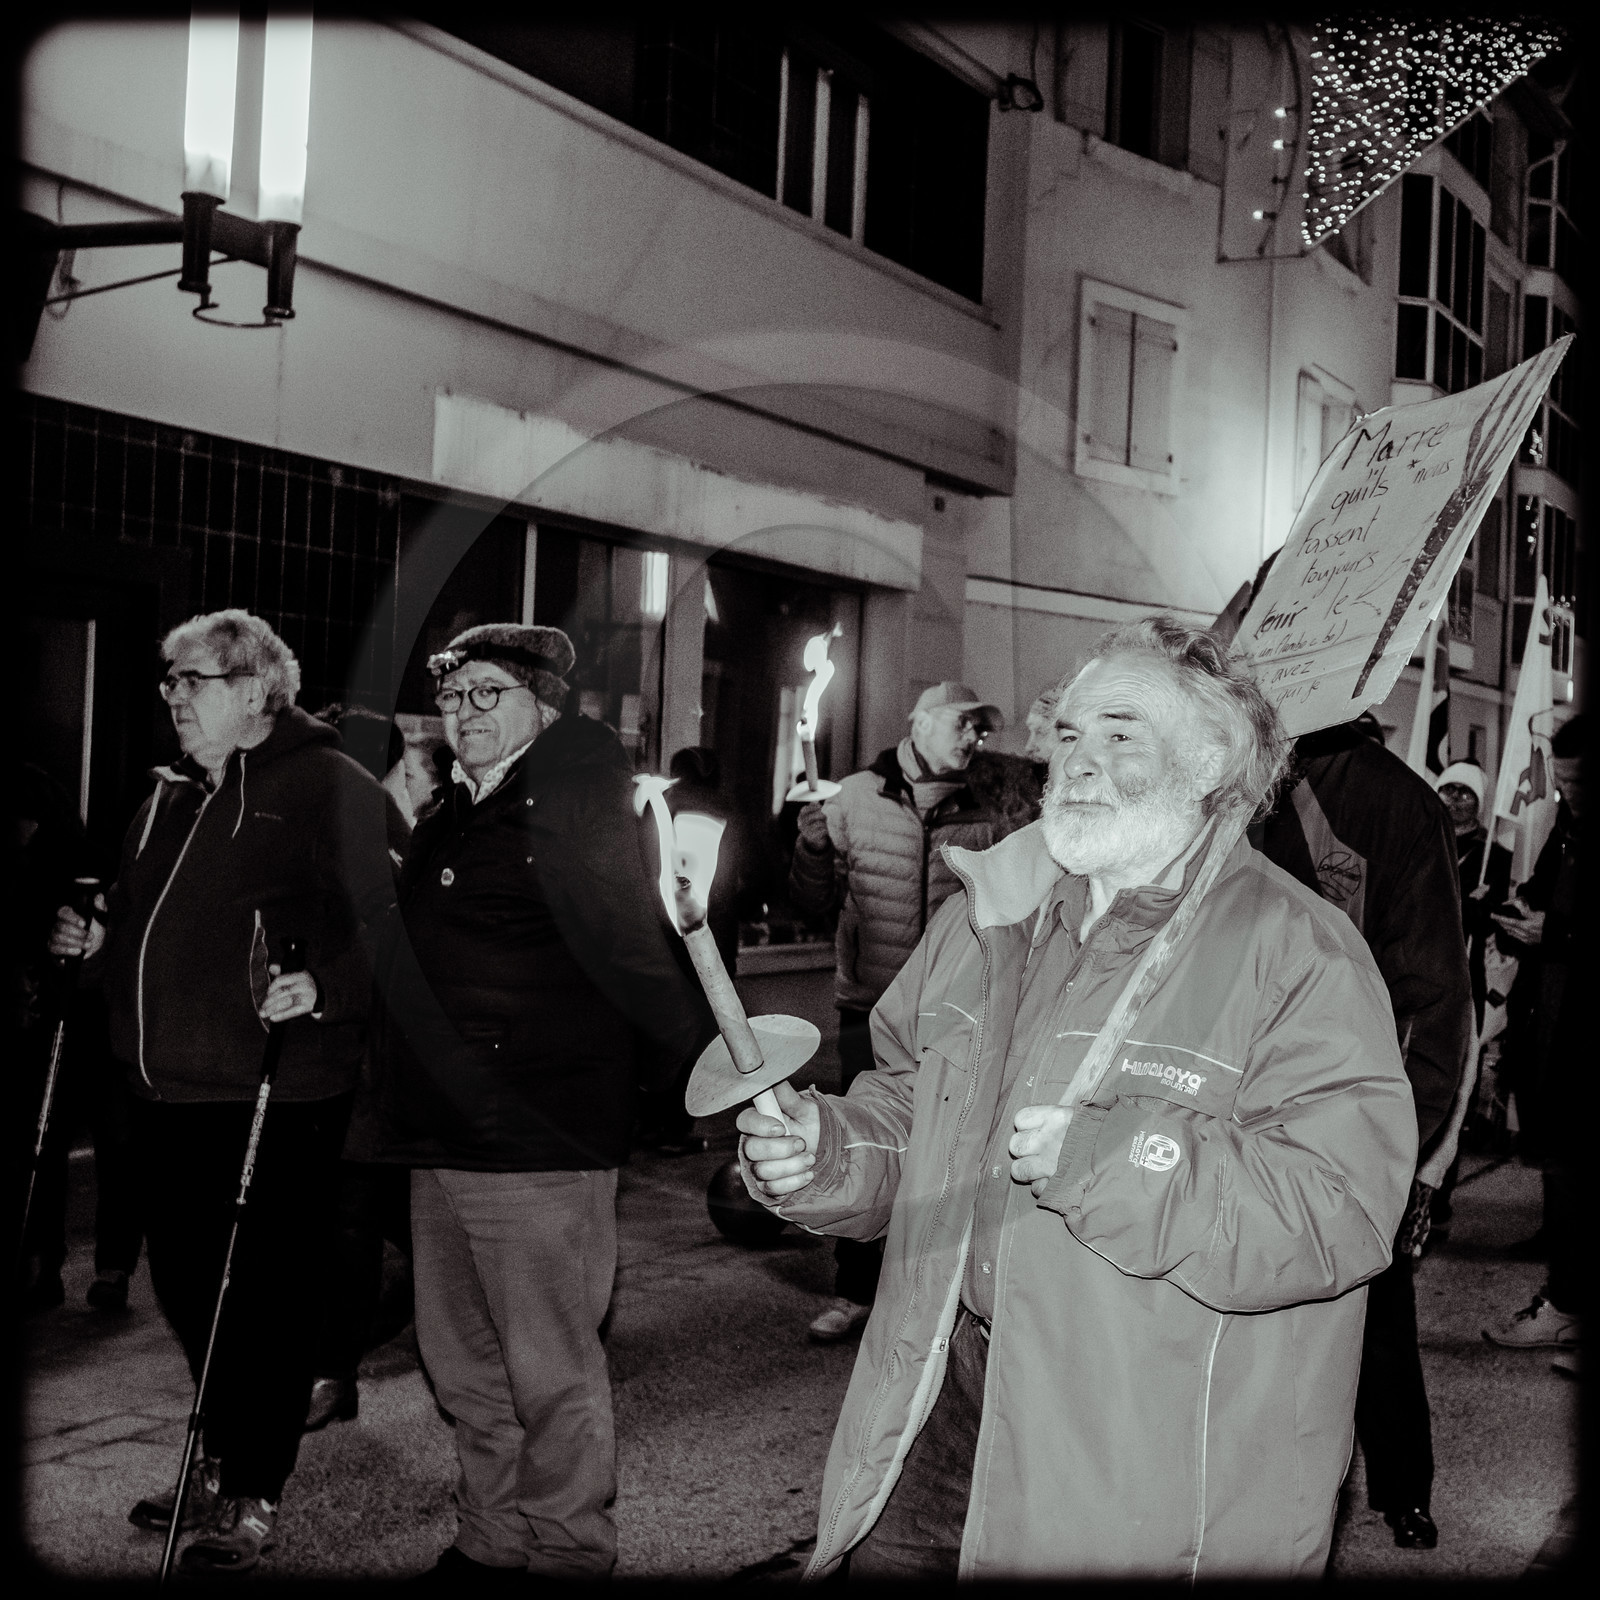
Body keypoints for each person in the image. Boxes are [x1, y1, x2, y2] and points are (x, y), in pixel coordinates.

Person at [740, 619, 1415, 1579]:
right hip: (944, 1389)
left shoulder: (1298, 949)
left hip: (1135, 1443)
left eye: (1122, 733)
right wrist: (831, 1148)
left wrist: (1123, 1160)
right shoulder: (989, 914)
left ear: (1213, 757)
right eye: (1067, 733)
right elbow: (910, 1107)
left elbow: (1337, 1211)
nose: (1079, 760)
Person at [47, 610, 402, 1574]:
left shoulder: (329, 784)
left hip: (273, 1094)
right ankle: (215, 1457)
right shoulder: (166, 799)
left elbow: (401, 927)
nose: (173, 700)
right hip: (159, 1090)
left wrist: (327, 985)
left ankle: (255, 1487)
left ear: (254, 690)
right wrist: (90, 949)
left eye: (191, 681)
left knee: (264, 1298)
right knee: (189, 1285)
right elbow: (137, 926)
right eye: (168, 682)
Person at [371, 623, 704, 1581]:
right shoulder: (454, 812)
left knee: (550, 1375)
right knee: (465, 1368)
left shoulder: (572, 799)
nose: (464, 713)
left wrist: (707, 1071)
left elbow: (633, 949)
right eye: (454, 697)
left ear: (539, 708)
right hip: (442, 1133)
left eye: (487, 694)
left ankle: (567, 1554)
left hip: (537, 1135)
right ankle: (492, 1540)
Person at [1258, 715, 1472, 1551]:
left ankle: (1401, 1488)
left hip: (1346, 1108)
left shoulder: (1390, 802)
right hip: (1244, 1103)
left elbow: (1434, 996)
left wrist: (1404, 1159)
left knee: (1375, 1315)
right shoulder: (1219, 773)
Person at [787, 681, 1004, 1342]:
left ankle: (929, 1297)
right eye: (964, 724)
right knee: (864, 1141)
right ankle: (853, 1290)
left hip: (953, 1017)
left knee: (944, 1156)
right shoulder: (851, 797)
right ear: (922, 721)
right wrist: (813, 849)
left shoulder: (986, 817)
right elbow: (809, 904)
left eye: (979, 729)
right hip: (869, 1007)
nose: (973, 739)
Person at [15, 759, 141, 1314]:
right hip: (47, 1023)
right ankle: (44, 1260)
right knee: (43, 1139)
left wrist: (92, 939)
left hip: (98, 1022)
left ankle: (112, 1265)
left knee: (113, 1141)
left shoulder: (89, 863)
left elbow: (121, 936)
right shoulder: (26, 864)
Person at [1483, 713, 1585, 1367]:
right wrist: (1522, 912)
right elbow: (1546, 893)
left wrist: (1556, 933)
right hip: (1556, 1014)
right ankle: (1570, 1306)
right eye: (1568, 785)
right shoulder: (1568, 826)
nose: (1572, 796)